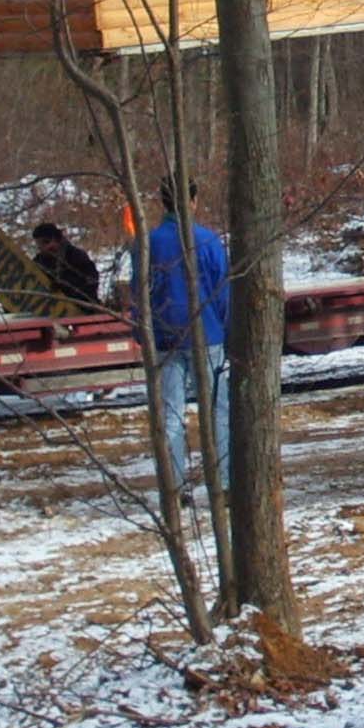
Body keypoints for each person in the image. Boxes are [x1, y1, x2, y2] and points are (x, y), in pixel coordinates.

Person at [144, 177, 232, 506]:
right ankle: (222, 484)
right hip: (207, 335)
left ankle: (175, 487)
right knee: (217, 412)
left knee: (170, 417)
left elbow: (140, 295)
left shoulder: (148, 244)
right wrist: (225, 330)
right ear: (193, 201)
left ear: (162, 202)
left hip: (165, 341)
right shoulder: (207, 241)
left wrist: (146, 334)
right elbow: (224, 293)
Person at [31, 222, 101, 312]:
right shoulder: (39, 261)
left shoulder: (75, 255)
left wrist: (65, 286)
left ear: (56, 239)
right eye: (39, 245)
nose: (43, 248)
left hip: (82, 308)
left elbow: (92, 282)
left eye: (46, 242)